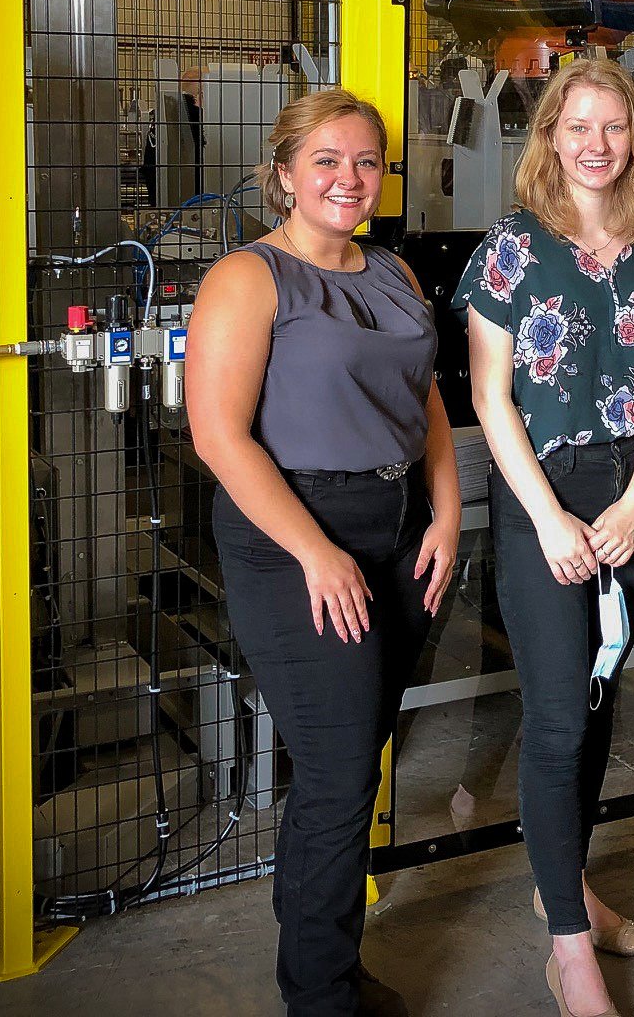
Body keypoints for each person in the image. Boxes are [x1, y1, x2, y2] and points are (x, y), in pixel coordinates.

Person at [185, 88, 462, 1017]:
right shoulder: (249, 279)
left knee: (357, 758)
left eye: (366, 163)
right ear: (285, 174)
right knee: (342, 775)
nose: (349, 180)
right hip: (293, 536)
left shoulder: (394, 273)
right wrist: (315, 552)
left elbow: (425, 401)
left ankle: (323, 962)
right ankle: (321, 997)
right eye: (328, 161)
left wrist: (448, 512)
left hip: (397, 530)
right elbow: (221, 439)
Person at [454, 58, 634, 1017]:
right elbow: (488, 394)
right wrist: (549, 517)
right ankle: (569, 952)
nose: (596, 144)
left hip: (629, 494)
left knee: (595, 708)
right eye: (577, 126)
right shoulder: (512, 246)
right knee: (555, 719)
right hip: (540, 496)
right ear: (548, 135)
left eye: (615, 127)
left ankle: (575, 889)